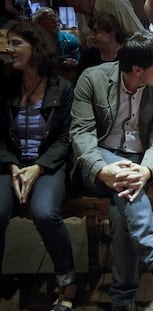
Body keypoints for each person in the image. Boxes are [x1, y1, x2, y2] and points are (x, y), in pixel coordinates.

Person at [69, 30, 153, 310]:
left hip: (139, 159)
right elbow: (82, 134)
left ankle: (122, 299)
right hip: (99, 159)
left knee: (122, 208)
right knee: (127, 189)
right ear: (137, 70)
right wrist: (102, 170)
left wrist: (147, 170)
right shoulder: (93, 79)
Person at [0, 21, 76, 311]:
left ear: (36, 48)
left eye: (16, 43)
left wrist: (38, 167)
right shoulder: (6, 85)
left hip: (49, 164)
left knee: (44, 212)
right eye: (8, 43)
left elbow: (66, 138)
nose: (9, 49)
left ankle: (67, 280)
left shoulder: (62, 88)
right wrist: (11, 166)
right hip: (12, 164)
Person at [66, 0, 144, 47]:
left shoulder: (115, 4)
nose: (71, 6)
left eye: (73, 2)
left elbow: (141, 38)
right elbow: (83, 42)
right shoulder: (79, 10)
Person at [75, 12, 128, 80]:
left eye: (96, 32)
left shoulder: (127, 55)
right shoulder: (88, 56)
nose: (91, 36)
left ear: (111, 35)